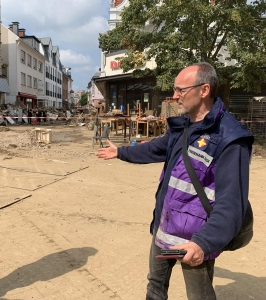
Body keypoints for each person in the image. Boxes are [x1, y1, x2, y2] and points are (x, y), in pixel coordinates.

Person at [96, 62, 253, 300]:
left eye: (181, 90)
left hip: (194, 239)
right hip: (164, 227)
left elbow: (231, 204)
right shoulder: (183, 127)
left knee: (199, 296)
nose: (174, 96)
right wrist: (121, 152)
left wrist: (203, 243)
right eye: (175, 89)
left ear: (204, 90)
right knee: (155, 288)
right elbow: (156, 149)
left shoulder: (231, 138)